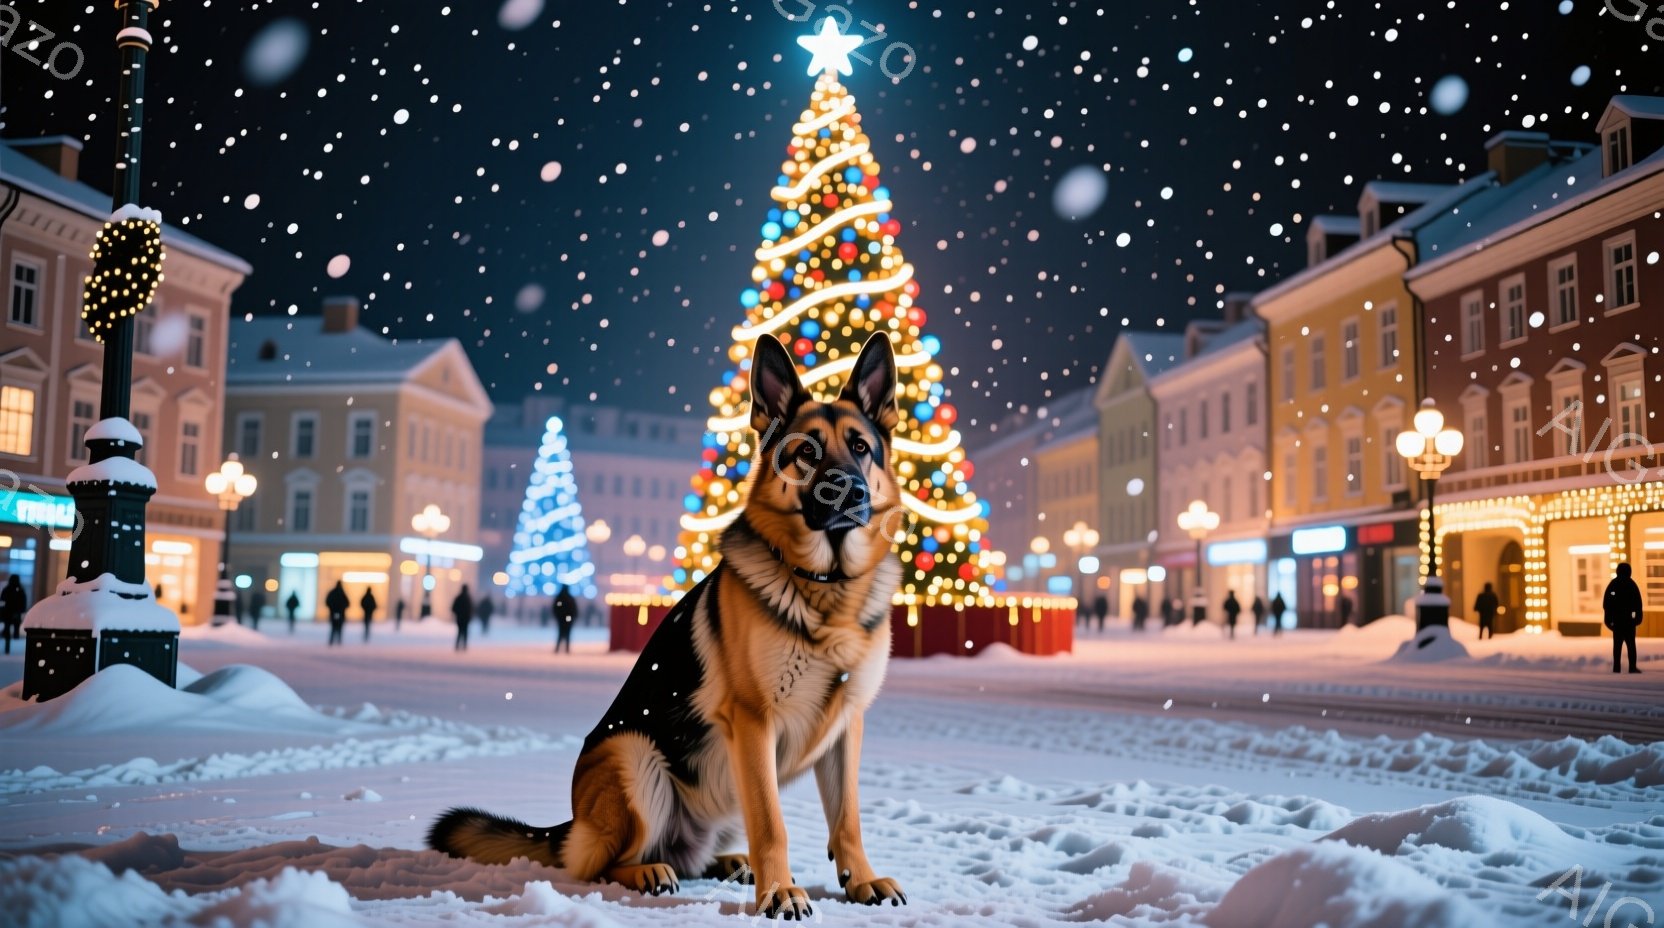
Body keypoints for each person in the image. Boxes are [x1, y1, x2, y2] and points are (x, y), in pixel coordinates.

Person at [1603, 562, 1643, 674]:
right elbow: (1638, 604)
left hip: (1619, 622)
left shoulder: (1614, 584)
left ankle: (1617, 668)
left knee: (1618, 647)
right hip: (1627, 621)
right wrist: (1638, 618)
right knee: (1630, 646)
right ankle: (1631, 667)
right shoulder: (1631, 584)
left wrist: (1608, 620)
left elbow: (1607, 605)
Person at [1, 575, 26, 655]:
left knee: (7, 629)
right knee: (16, 629)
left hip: (8, 612)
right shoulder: (20, 590)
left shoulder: (7, 589)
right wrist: (21, 610)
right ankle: (14, 645)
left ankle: (8, 649)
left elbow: (2, 600)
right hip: (16, 613)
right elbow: (23, 601)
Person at [553, 585, 578, 654]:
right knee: (567, 634)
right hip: (567, 618)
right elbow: (574, 609)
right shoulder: (569, 598)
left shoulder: (560, 598)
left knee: (561, 634)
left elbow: (556, 608)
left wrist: (558, 616)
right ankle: (566, 649)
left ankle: (559, 649)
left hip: (562, 619)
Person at [325, 581, 350, 647]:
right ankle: (338, 641)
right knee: (339, 628)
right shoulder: (342, 593)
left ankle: (332, 641)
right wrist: (342, 608)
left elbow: (327, 602)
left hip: (334, 613)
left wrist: (332, 608)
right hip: (340, 613)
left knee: (333, 627)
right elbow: (347, 603)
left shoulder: (333, 593)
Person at [452, 585, 474, 652]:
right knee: (465, 633)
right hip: (465, 619)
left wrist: (458, 613)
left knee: (459, 632)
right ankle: (464, 645)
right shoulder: (468, 599)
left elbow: (454, 608)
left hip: (460, 618)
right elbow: (471, 609)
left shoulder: (459, 598)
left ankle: (458, 645)